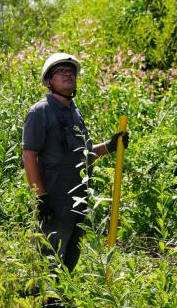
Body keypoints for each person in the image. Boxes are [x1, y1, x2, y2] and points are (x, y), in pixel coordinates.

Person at [22, 52, 126, 286]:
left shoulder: (73, 112)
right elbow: (29, 155)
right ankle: (44, 306)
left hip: (78, 200)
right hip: (54, 200)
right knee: (50, 258)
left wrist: (110, 147)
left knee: (70, 258)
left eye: (71, 71)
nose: (68, 74)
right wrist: (40, 197)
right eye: (60, 71)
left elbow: (83, 155)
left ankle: (59, 307)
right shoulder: (40, 112)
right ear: (49, 81)